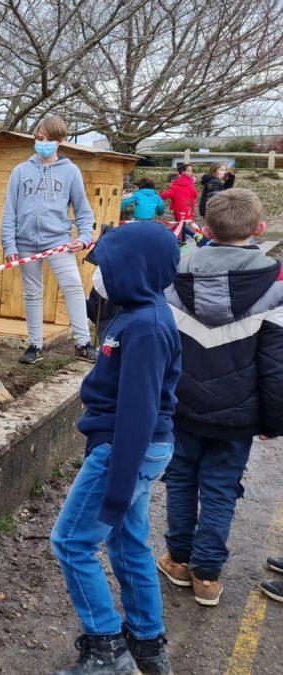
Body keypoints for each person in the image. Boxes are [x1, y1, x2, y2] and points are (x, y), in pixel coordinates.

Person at [50, 221, 182, 675]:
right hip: (133, 449)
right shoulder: (135, 311)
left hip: (125, 448)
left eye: (106, 266)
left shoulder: (144, 328)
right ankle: (146, 641)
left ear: (134, 270)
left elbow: (139, 413)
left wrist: (117, 482)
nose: (98, 275)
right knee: (127, 541)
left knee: (71, 541)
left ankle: (106, 648)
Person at [157, 188, 282, 607]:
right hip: (238, 416)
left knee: (180, 481)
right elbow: (275, 364)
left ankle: (177, 559)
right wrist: (274, 421)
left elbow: (162, 348)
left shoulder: (174, 275)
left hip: (181, 406)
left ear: (204, 229)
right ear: (259, 230)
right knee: (220, 490)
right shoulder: (276, 285)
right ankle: (207, 576)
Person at [0, 116, 97, 365]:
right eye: (40, 138)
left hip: (57, 241)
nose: (43, 143)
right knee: (32, 293)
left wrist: (84, 238)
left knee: (73, 286)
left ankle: (83, 342)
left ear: (60, 141)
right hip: (24, 243)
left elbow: (84, 211)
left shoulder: (70, 171)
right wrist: (9, 244)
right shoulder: (21, 171)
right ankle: (35, 344)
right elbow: (9, 210)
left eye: (49, 139)